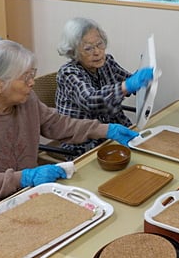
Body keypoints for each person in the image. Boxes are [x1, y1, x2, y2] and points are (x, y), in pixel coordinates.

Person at [0, 40, 138, 221]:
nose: (32, 82)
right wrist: (24, 177)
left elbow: (59, 124)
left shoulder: (26, 101)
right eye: (25, 77)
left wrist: (106, 130)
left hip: (25, 193)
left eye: (32, 74)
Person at [55, 17, 154, 157]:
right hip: (84, 144)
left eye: (99, 44)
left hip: (115, 132)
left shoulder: (107, 62)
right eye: (88, 48)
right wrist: (128, 86)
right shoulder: (68, 73)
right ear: (73, 52)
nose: (97, 52)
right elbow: (91, 100)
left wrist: (145, 71)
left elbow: (129, 81)